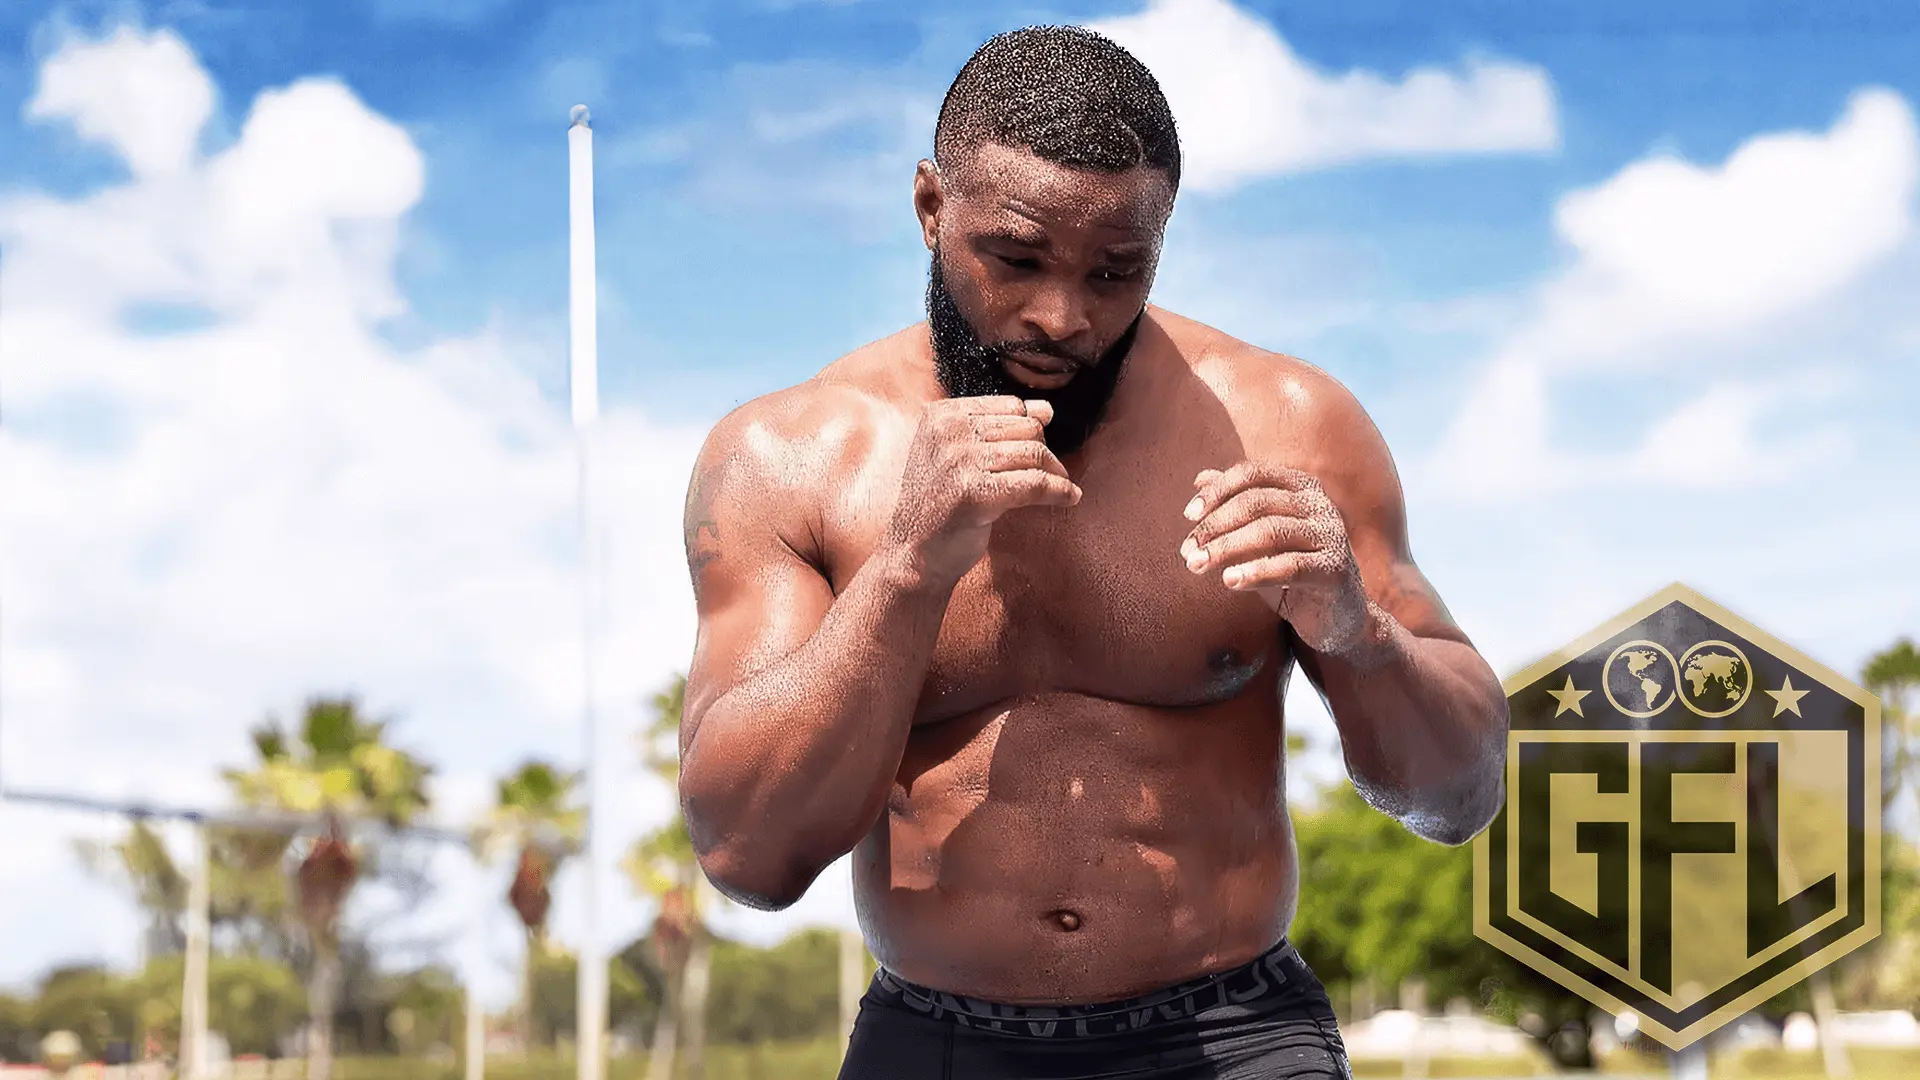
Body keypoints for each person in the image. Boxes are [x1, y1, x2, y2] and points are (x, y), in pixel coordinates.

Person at [675, 24, 1509, 1080]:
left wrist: (1358, 629)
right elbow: (748, 857)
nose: (1063, 317)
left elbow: (1459, 796)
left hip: (1233, 1034)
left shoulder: (1289, 427)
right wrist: (904, 569)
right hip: (938, 1041)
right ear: (932, 207)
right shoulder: (788, 457)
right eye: (1016, 258)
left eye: (1118, 271)